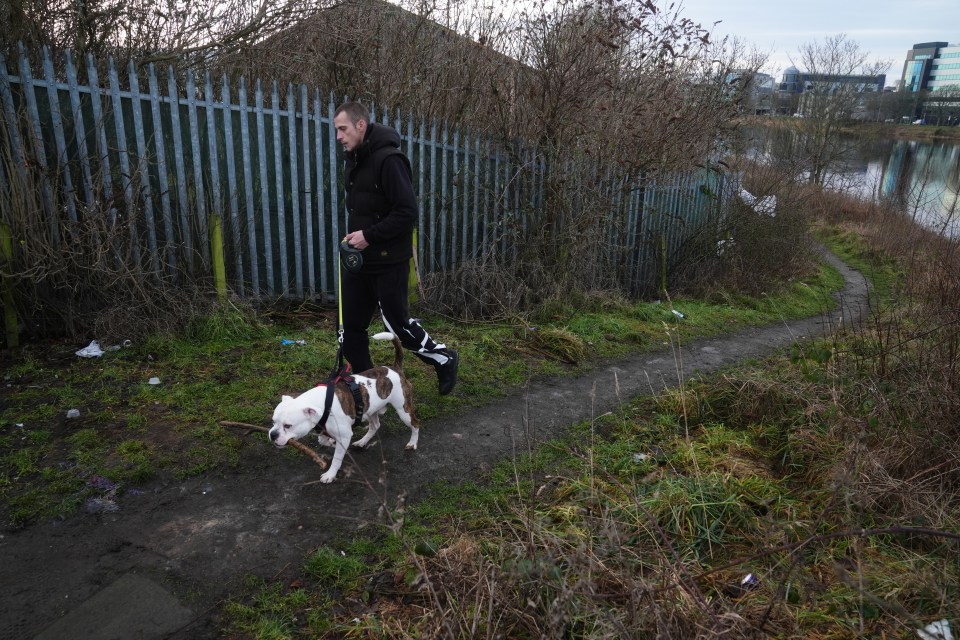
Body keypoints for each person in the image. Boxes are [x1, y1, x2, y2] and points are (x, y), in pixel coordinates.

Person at [333, 101, 459, 395]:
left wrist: (369, 235)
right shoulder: (354, 159)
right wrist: (357, 238)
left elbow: (406, 212)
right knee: (351, 328)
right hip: (360, 260)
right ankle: (366, 390)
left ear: (360, 125)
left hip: (389, 259)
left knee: (397, 325)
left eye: (343, 129)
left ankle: (444, 358)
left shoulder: (390, 160)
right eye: (337, 130)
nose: (339, 136)